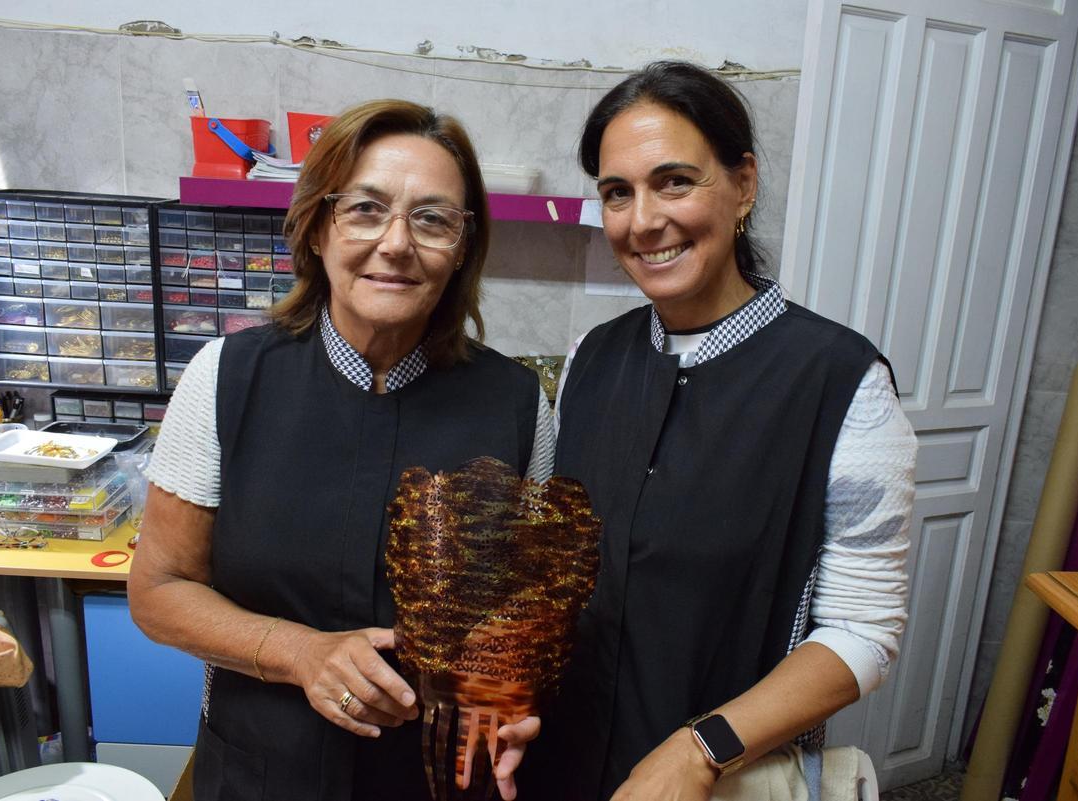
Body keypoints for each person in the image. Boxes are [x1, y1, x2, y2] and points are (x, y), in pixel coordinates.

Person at [128, 99, 549, 801]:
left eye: (433, 219)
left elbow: (522, 617)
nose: (396, 242)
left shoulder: (518, 407)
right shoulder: (227, 378)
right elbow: (158, 592)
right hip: (263, 774)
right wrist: (301, 653)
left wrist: (510, 695)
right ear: (319, 227)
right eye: (365, 209)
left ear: (463, 248)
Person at [525, 61, 918, 800]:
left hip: (718, 778)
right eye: (618, 193)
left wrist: (703, 748)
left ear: (743, 185)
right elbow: (560, 571)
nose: (643, 220)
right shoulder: (592, 360)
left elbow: (864, 634)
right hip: (561, 763)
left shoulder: (840, 381)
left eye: (674, 181)